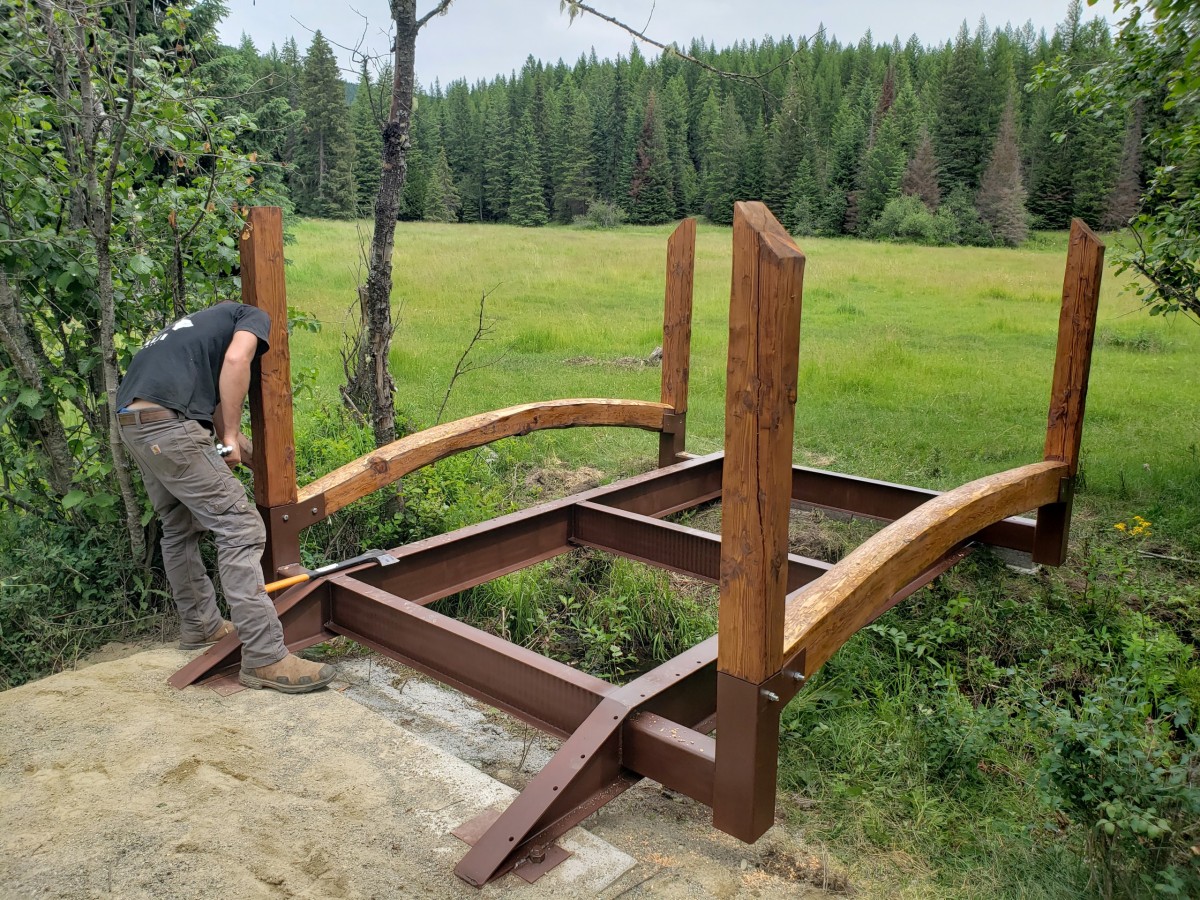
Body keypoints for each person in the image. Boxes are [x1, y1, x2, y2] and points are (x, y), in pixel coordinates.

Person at [116, 300, 334, 694]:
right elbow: (236, 364)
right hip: (169, 428)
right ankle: (266, 656)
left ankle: (201, 625)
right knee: (241, 527)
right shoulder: (252, 314)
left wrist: (239, 449)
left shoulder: (191, 333)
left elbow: (215, 406)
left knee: (178, 526)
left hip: (137, 426)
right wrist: (230, 438)